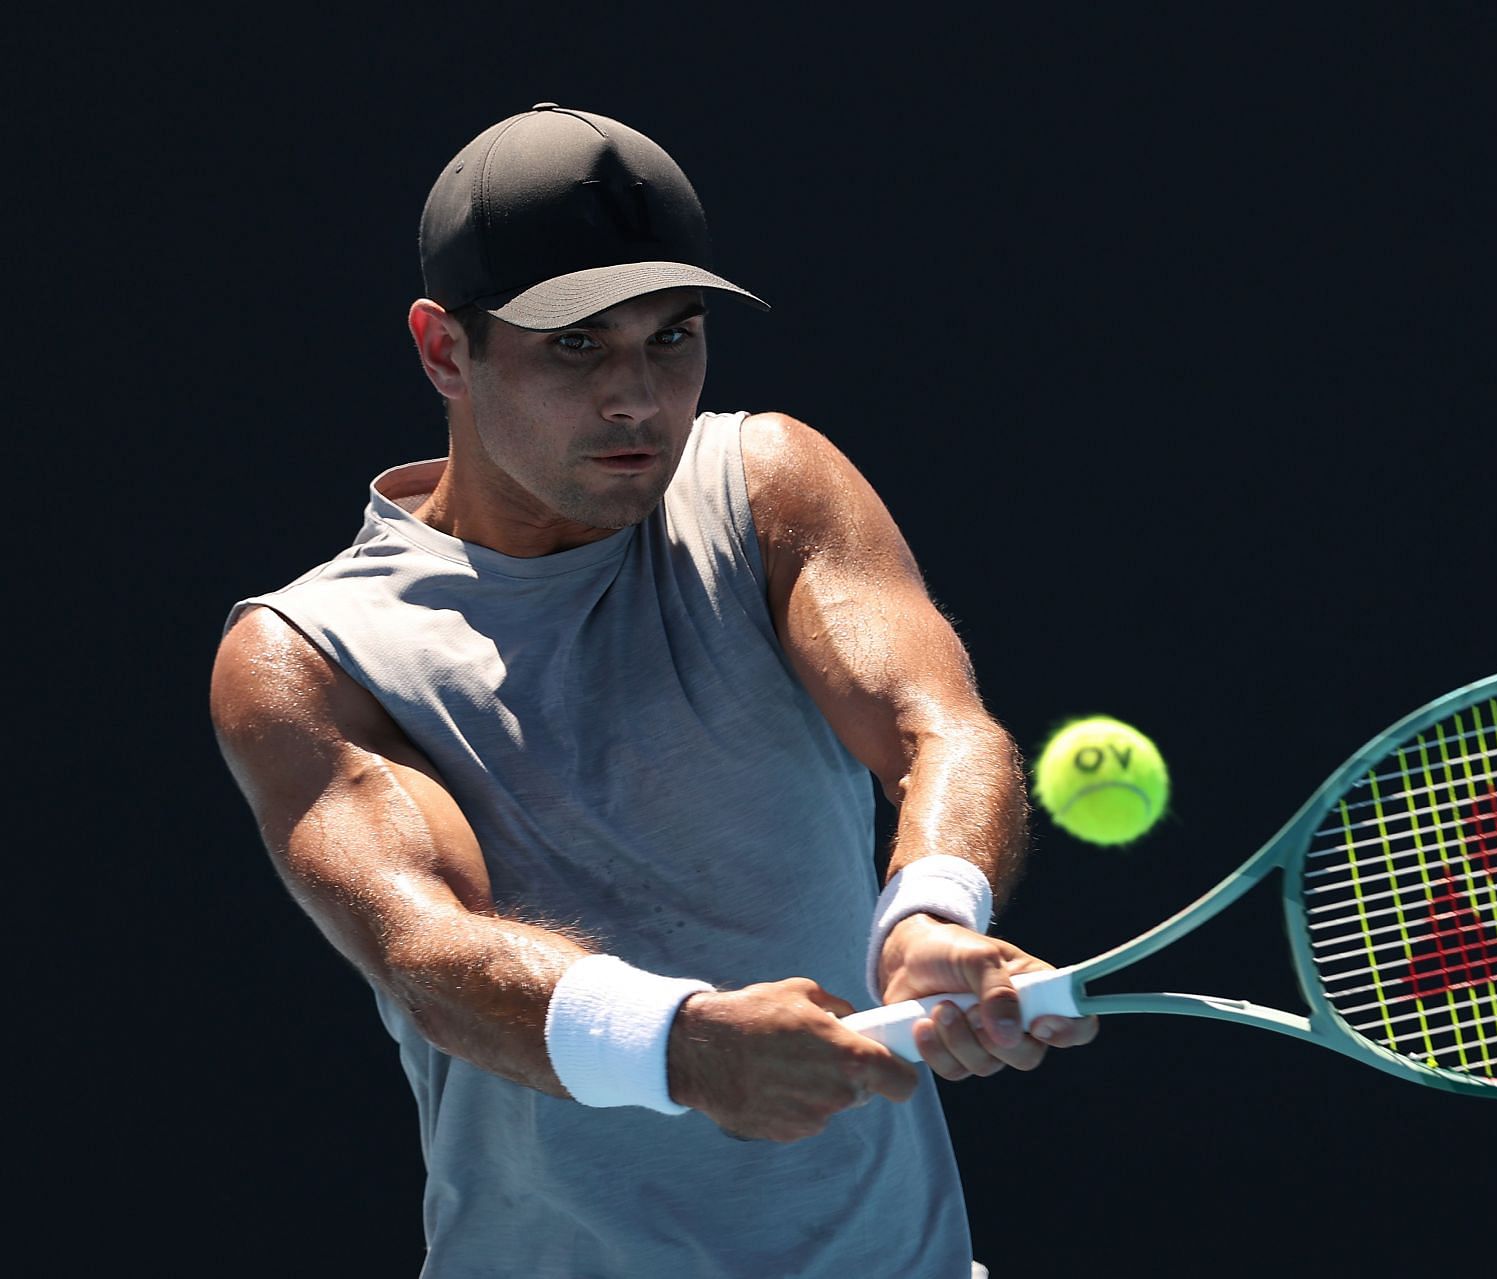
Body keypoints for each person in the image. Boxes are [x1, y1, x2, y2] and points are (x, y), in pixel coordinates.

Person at [208, 102, 1096, 1277]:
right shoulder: (310, 653)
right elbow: (431, 954)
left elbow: (942, 727)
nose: (639, 396)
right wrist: (679, 1046)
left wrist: (930, 910)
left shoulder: (772, 483)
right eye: (576, 344)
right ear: (443, 350)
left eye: (672, 337)